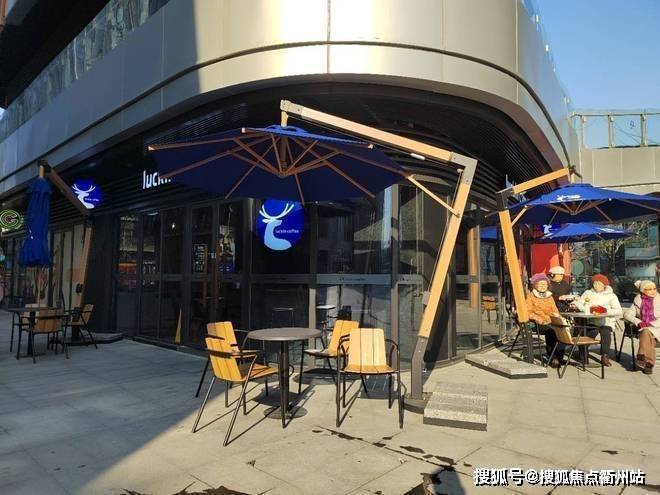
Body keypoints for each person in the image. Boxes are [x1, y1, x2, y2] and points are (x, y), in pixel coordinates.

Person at [574, 274, 621, 367]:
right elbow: (579, 303)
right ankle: (583, 353)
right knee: (589, 333)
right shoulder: (588, 293)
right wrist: (587, 309)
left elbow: (619, 310)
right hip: (592, 321)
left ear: (604, 285)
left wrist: (605, 311)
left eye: (599, 284)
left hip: (606, 321)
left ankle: (605, 356)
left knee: (605, 333)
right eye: (594, 283)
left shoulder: (611, 296)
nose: (596, 286)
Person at [526, 273, 564, 367]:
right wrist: (538, 318)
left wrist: (558, 318)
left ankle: (559, 357)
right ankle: (553, 357)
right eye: (540, 284)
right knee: (552, 331)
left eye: (545, 284)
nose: (543, 286)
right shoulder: (531, 296)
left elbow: (555, 310)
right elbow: (528, 312)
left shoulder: (549, 296)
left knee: (562, 330)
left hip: (551, 321)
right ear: (535, 285)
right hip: (537, 323)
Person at [623, 280, 660, 375]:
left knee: (646, 333)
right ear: (643, 290)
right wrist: (638, 322)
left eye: (654, 288)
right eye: (649, 289)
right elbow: (627, 314)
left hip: (657, 327)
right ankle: (649, 364)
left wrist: (651, 324)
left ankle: (641, 357)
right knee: (647, 333)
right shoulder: (638, 300)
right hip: (644, 328)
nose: (653, 291)